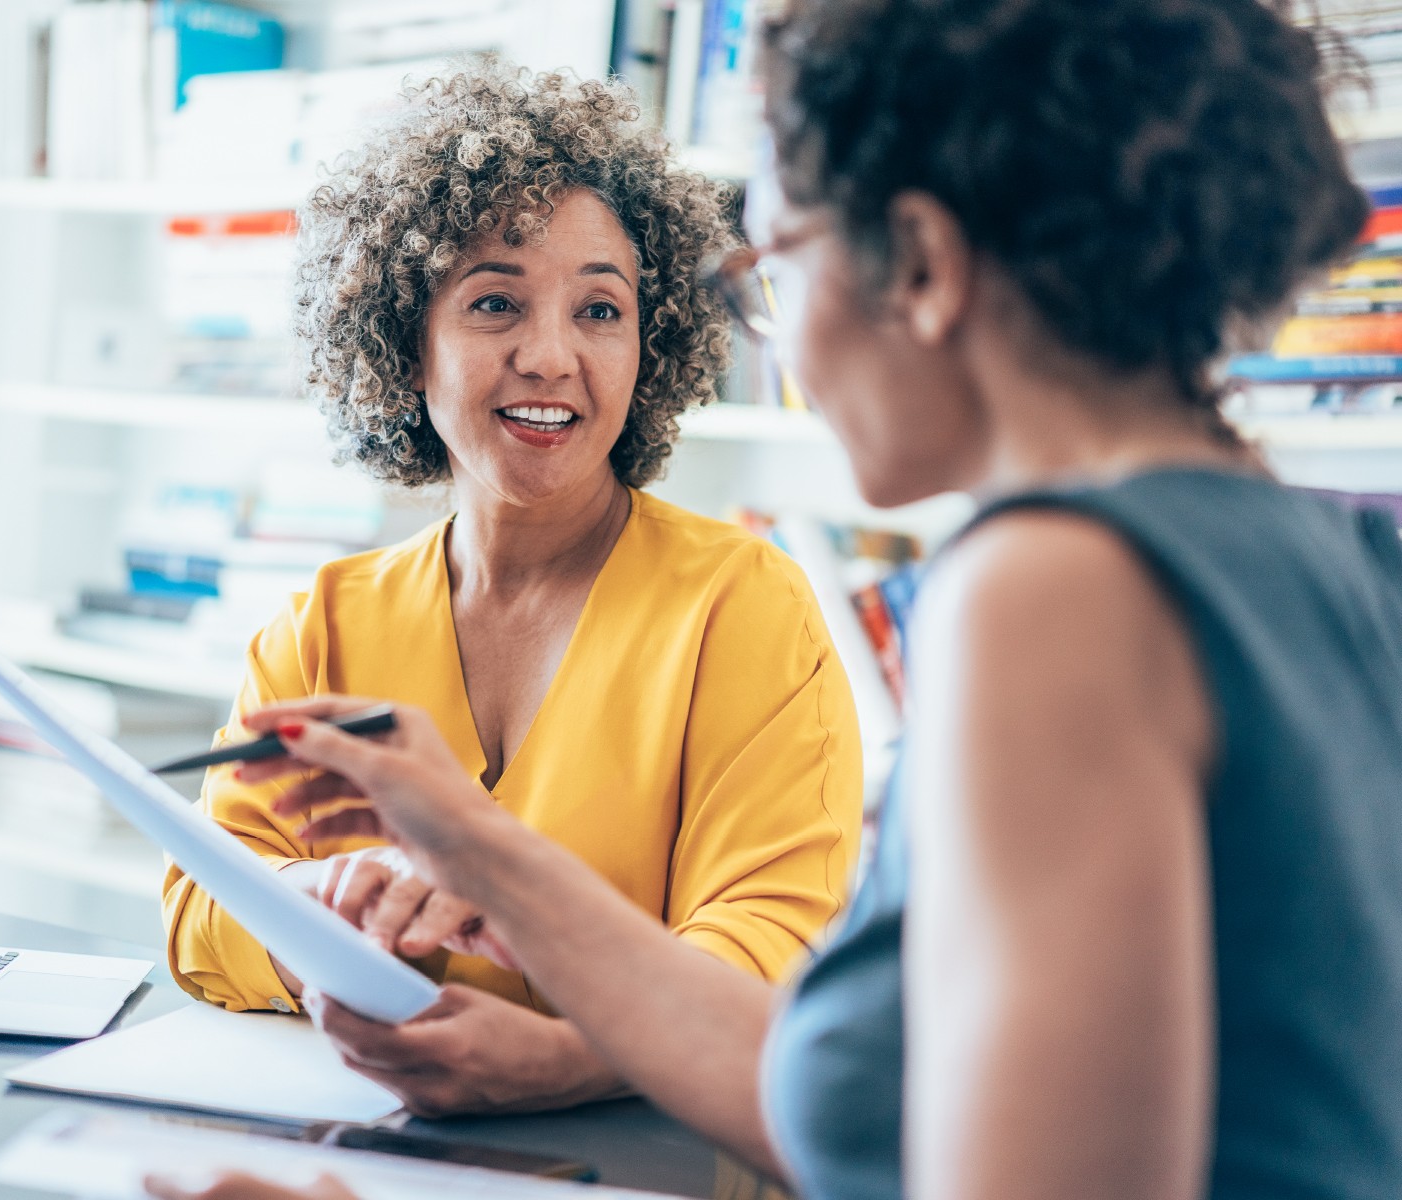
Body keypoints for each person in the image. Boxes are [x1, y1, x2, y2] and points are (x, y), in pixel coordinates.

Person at [148, 1, 1402, 1198]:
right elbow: (891, 1110)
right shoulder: (1339, 563)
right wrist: (480, 851)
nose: (779, 335)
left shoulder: (1048, 591)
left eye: (775, 267)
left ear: (918, 264)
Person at [161, 62, 864, 1118]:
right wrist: (310, 911)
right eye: (496, 302)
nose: (551, 356)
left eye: (599, 309)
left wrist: (577, 1056)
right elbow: (197, 913)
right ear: (406, 344)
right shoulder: (318, 628)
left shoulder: (742, 606)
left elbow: (771, 939)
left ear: (651, 344)